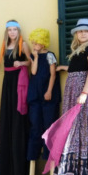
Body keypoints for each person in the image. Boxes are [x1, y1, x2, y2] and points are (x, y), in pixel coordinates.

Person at [54, 18, 88, 175]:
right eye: (80, 31)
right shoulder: (78, 49)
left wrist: (84, 93)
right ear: (76, 34)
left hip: (82, 91)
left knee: (81, 125)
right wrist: (64, 68)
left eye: (86, 31)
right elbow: (79, 67)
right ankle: (72, 170)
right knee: (73, 126)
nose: (83, 33)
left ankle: (82, 168)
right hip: (73, 91)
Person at [0, 20, 31, 175]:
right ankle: (4, 172)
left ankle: (20, 173)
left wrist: (21, 63)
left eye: (15, 29)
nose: (12, 32)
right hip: (7, 83)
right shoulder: (4, 45)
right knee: (6, 120)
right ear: (7, 32)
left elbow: (31, 61)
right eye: (9, 29)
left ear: (18, 31)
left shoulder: (23, 45)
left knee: (18, 120)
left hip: (19, 83)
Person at [27, 28, 60, 161]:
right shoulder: (33, 55)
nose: (34, 45)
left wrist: (49, 90)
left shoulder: (50, 55)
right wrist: (35, 57)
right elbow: (33, 72)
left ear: (43, 43)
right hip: (35, 93)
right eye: (33, 43)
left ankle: (48, 157)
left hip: (48, 93)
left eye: (37, 43)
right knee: (35, 125)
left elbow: (53, 74)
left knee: (49, 125)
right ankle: (33, 156)